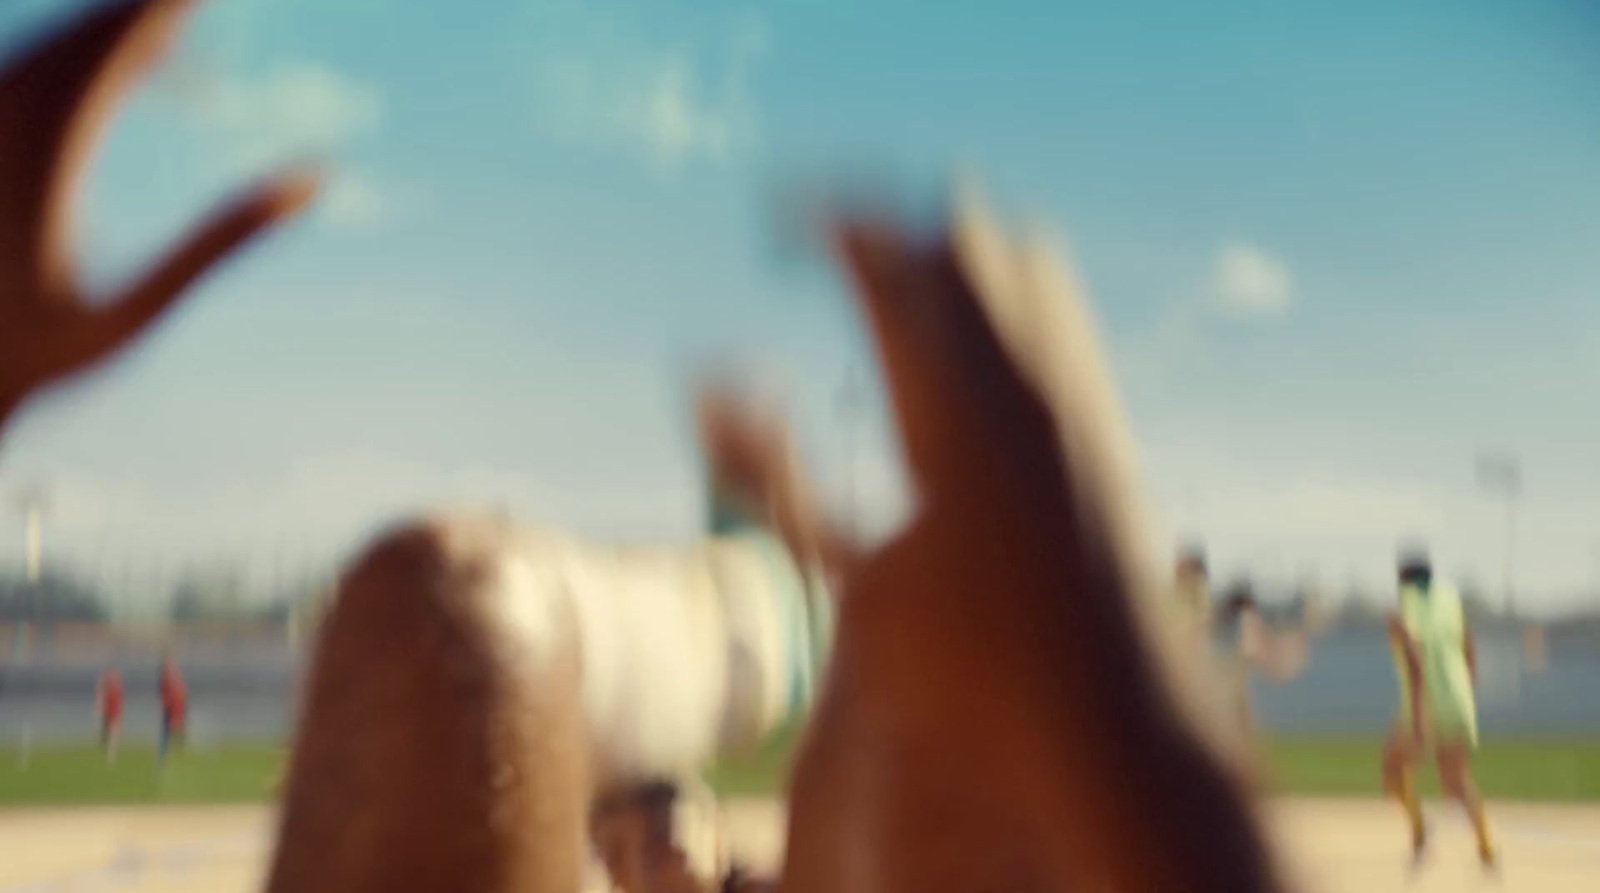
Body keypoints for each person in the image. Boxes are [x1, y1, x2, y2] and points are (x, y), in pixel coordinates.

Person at [1383, 547, 1496, 871]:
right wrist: (1466, 692)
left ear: (1401, 577)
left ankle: (1420, 828)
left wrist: (1418, 716)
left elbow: (1416, 661)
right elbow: (1469, 646)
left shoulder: (1404, 606)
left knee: (1392, 769)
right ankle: (1486, 849)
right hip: (1459, 699)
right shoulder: (1449, 599)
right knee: (1457, 782)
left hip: (1424, 701)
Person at [158, 652, 188, 765]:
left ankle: (176, 752)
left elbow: (182, 692)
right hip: (169, 707)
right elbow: (164, 694)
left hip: (176, 706)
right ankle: (164, 756)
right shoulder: (165, 677)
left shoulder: (175, 676)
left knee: (176, 730)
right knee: (167, 733)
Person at [96, 666, 124, 763]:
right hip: (109, 711)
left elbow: (121, 700)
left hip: (115, 711)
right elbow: (100, 695)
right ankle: (109, 751)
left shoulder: (117, 687)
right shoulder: (107, 686)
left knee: (114, 732)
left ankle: (111, 754)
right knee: (108, 733)